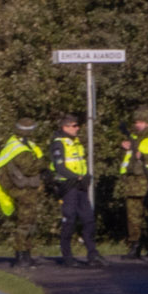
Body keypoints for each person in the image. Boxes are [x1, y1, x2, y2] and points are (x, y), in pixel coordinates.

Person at [49, 114, 105, 267]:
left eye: (77, 125)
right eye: (74, 126)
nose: (77, 128)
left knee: (88, 219)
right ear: (65, 127)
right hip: (68, 187)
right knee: (70, 220)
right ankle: (67, 256)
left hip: (80, 186)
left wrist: (86, 176)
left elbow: (80, 162)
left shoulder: (76, 142)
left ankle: (92, 254)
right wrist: (76, 177)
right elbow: (59, 166)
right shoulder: (58, 143)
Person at [0, 118, 49, 268]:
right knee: (25, 222)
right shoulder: (19, 148)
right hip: (21, 189)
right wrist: (44, 163)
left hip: (24, 188)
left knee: (29, 221)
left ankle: (26, 254)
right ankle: (21, 256)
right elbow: (29, 167)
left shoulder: (21, 145)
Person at [114, 110, 148, 259]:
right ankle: (135, 245)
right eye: (135, 122)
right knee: (132, 217)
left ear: (147, 122)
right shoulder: (133, 137)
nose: (136, 125)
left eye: (139, 122)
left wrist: (143, 155)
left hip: (147, 182)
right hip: (132, 183)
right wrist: (125, 148)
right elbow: (126, 160)